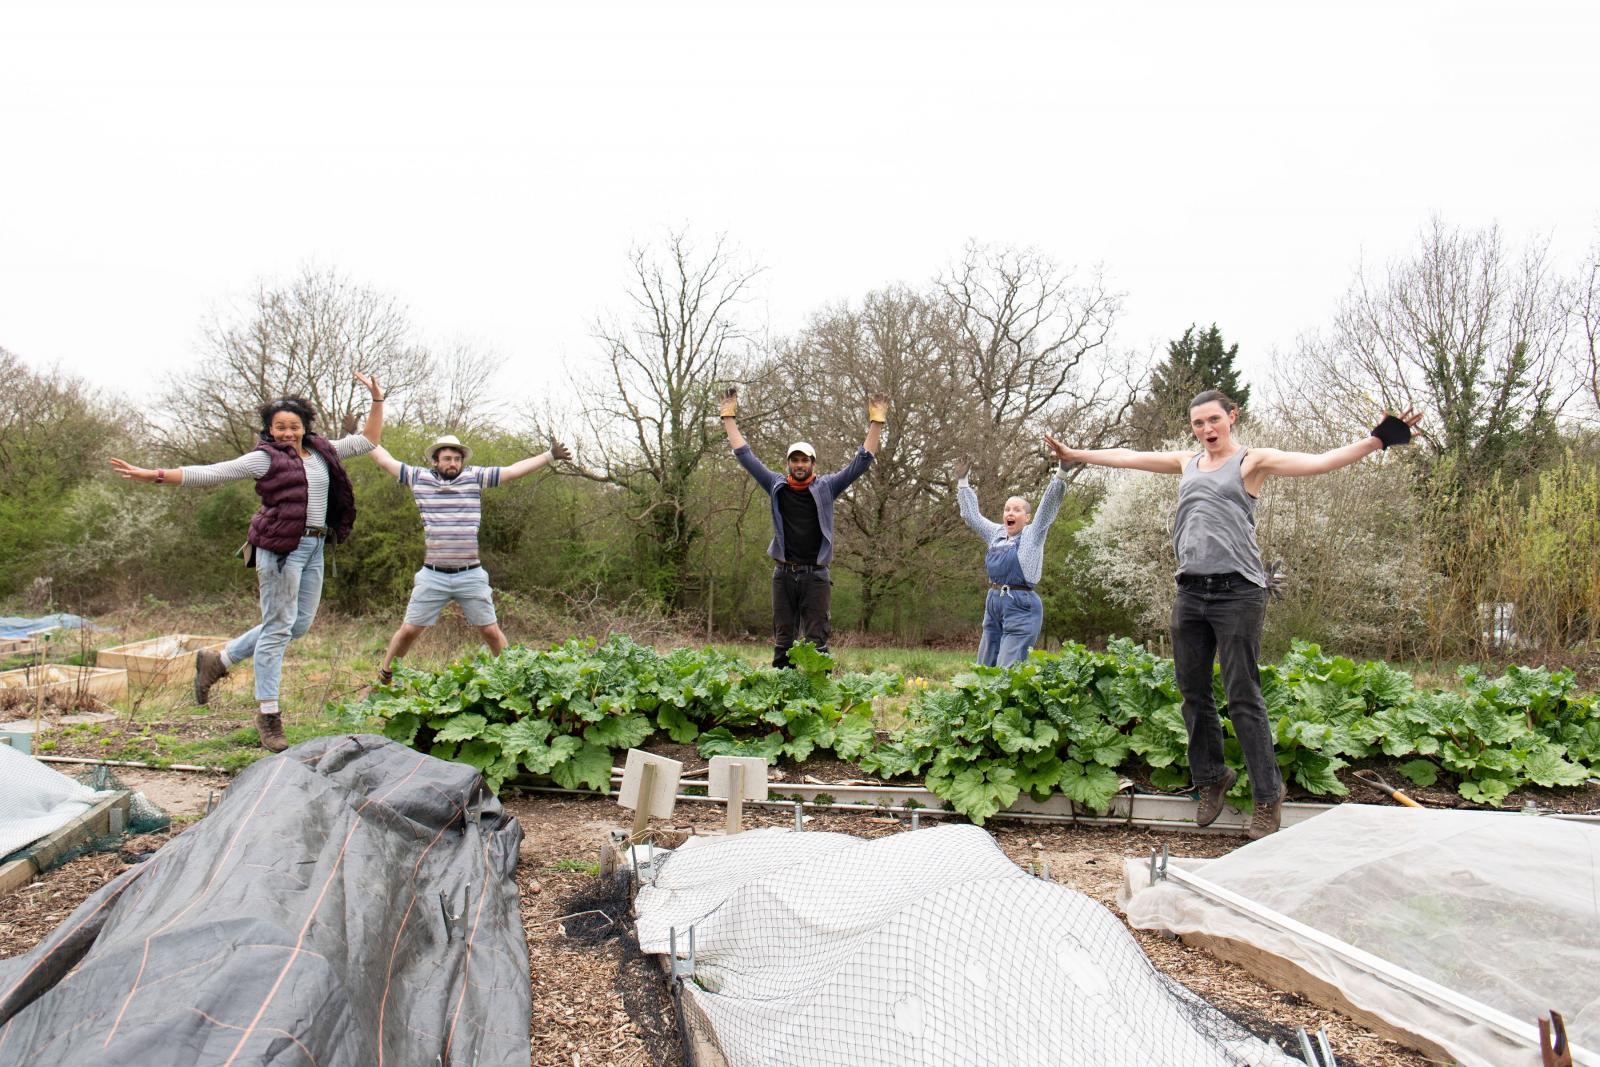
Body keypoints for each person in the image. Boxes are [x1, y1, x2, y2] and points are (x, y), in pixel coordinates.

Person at [1044, 391, 1422, 838]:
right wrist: (1074, 454)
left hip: (1238, 593)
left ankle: (1268, 796)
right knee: (1192, 694)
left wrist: (1377, 440)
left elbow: (1320, 461)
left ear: (1231, 417)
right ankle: (1211, 778)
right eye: (1198, 423)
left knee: (1242, 694)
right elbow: (1129, 456)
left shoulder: (1251, 462)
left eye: (1213, 421)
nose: (1206, 430)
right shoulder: (1186, 463)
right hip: (1190, 591)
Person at [109, 372, 386, 752]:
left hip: (315, 548)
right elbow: (212, 472)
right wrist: (155, 475)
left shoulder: (324, 451)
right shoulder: (263, 459)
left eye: (294, 425)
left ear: (305, 426)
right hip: (279, 551)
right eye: (280, 427)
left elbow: (369, 439)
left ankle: (218, 659)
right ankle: (268, 715)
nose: (288, 432)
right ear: (270, 430)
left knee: (298, 625)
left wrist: (377, 401)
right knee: (277, 629)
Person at [369, 432, 571, 684]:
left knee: (490, 631)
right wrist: (359, 438)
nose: (452, 463)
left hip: (470, 573)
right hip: (433, 574)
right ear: (435, 461)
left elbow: (513, 471)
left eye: (456, 459)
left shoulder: (474, 477)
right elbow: (384, 460)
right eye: (446, 459)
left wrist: (549, 455)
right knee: (410, 629)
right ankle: (386, 676)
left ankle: (514, 679)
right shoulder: (418, 478)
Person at [720, 386, 886, 668]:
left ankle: (816, 700)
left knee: (816, 642)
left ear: (812, 464)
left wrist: (876, 422)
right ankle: (781, 702)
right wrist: (728, 417)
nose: (799, 464)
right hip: (783, 574)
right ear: (788, 464)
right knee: (783, 640)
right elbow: (745, 455)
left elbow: (861, 463)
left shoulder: (826, 487)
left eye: (804, 460)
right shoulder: (776, 486)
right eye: (795, 460)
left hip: (815, 576)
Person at [957, 459, 1070, 666]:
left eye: (1017, 510)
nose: (1010, 513)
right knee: (985, 666)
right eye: (1007, 509)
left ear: (1027, 517)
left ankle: (1009, 697)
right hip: (994, 602)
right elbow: (972, 517)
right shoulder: (996, 533)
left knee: (1007, 669)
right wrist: (963, 483)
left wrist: (1061, 473)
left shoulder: (1033, 534)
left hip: (1021, 605)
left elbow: (1047, 508)